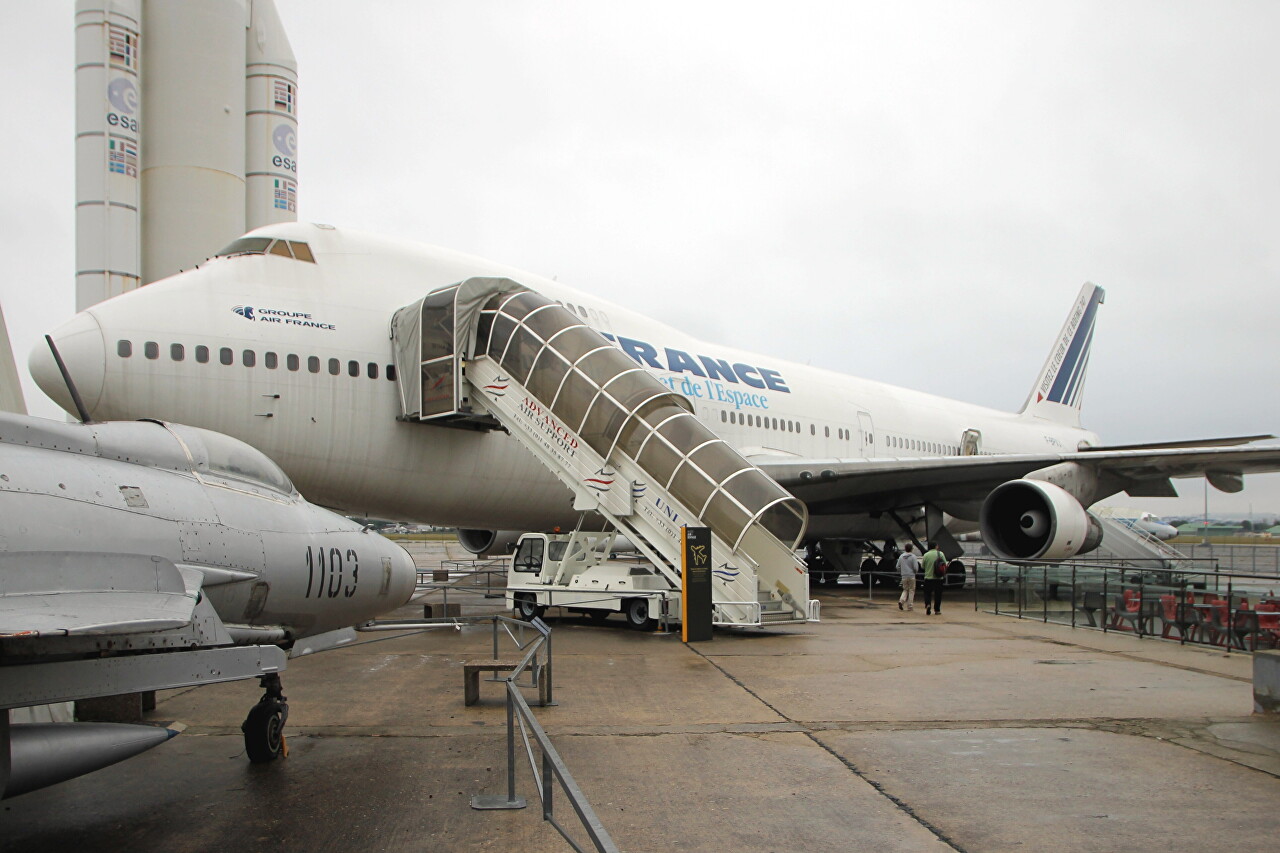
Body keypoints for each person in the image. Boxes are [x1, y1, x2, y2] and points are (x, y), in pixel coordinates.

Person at [921, 541, 948, 615]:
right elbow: (944, 564)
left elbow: (922, 566)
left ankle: (928, 604)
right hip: (939, 578)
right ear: (936, 546)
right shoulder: (940, 554)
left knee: (927, 593)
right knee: (938, 594)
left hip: (928, 577)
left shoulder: (926, 555)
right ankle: (937, 610)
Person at [896, 543, 919, 611]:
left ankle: (901, 601)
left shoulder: (901, 556)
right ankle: (910, 606)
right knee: (911, 590)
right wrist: (915, 572)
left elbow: (897, 566)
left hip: (904, 576)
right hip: (911, 575)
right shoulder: (913, 556)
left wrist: (901, 571)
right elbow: (915, 567)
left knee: (905, 589)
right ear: (911, 549)